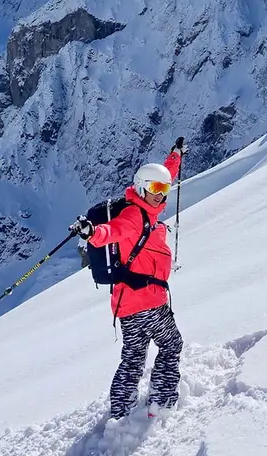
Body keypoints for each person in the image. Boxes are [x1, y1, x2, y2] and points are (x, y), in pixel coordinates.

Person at [71, 137, 184, 421]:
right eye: (155, 188)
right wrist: (92, 233)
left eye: (164, 189)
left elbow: (165, 175)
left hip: (128, 304)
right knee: (171, 345)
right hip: (147, 301)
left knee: (133, 358)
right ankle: (162, 400)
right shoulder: (135, 215)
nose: (161, 194)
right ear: (142, 186)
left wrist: (175, 156)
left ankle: (121, 412)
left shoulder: (147, 208)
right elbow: (113, 231)